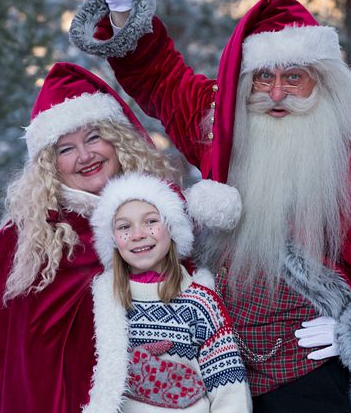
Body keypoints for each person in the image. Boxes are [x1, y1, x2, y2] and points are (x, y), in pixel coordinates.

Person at [68, 0, 351, 413]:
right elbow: (161, 78)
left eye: (293, 78)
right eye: (263, 77)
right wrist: (122, 8)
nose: (276, 93)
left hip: (314, 382)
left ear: (321, 82)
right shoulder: (220, 125)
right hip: (224, 378)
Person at [0, 62, 179, 413]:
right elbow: (4, 361)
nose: (85, 156)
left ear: (118, 142)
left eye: (93, 137)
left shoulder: (164, 215)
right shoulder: (22, 243)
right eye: (65, 149)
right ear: (49, 165)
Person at [83, 172, 251, 413]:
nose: (138, 234)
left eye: (151, 221)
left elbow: (228, 385)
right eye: (124, 227)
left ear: (172, 229)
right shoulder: (105, 303)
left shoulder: (199, 301)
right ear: (113, 240)